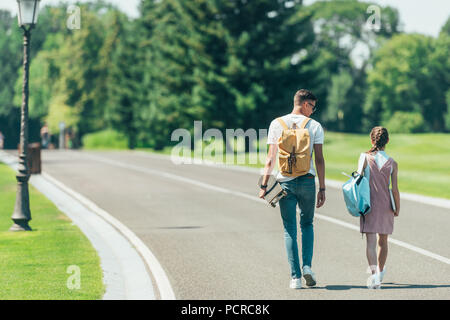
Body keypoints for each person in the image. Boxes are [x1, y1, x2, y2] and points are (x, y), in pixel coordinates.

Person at [259, 89, 326, 289]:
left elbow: (271, 159)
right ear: (305, 104)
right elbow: (320, 159)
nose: (313, 111)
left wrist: (264, 185)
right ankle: (307, 266)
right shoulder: (314, 126)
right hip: (307, 181)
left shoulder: (276, 124)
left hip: (285, 182)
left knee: (289, 230)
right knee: (307, 224)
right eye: (312, 106)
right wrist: (322, 187)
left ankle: (295, 278)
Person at [360, 126, 400, 289]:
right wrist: (397, 207)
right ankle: (381, 271)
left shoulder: (364, 157)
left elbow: (358, 181)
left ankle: (374, 275)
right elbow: (395, 189)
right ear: (387, 141)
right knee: (383, 241)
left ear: (372, 140)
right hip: (386, 205)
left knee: (370, 242)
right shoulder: (393, 163)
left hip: (369, 204)